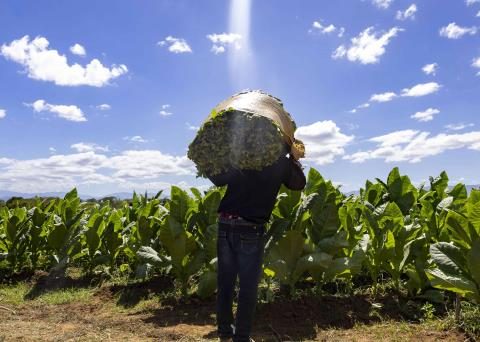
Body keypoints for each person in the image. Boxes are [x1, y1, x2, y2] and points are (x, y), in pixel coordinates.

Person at [208, 145, 306, 342]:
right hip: (250, 228)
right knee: (248, 286)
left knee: (225, 282)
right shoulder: (281, 163)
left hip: (225, 224)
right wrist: (294, 159)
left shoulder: (246, 155)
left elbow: (217, 179)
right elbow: (299, 184)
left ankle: (225, 332)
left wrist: (215, 157)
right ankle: (241, 338)